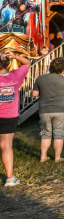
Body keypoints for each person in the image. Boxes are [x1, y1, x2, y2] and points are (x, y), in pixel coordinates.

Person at [32, 57, 64, 162]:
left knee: (46, 133)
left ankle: (43, 156)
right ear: (63, 69)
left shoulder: (40, 78)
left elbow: (35, 94)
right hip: (61, 110)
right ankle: (57, 157)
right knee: (59, 134)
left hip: (44, 109)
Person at [0, 51, 30, 186]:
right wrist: (16, 56)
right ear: (8, 63)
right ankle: (10, 178)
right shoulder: (16, 76)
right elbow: (27, 63)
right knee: (6, 146)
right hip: (9, 115)